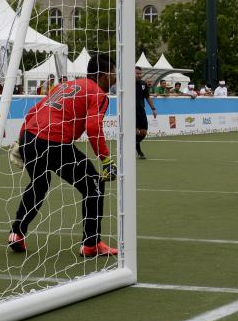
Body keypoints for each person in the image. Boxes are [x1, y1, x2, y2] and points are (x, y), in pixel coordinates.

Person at [8, 52, 119, 257]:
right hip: (54, 141)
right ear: (103, 75)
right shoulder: (98, 94)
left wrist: (21, 140)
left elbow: (34, 110)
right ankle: (91, 244)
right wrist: (106, 159)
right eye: (113, 73)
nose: (115, 77)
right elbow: (93, 127)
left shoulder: (64, 85)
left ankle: (16, 233)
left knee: (39, 184)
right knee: (94, 182)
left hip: (30, 137)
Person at [134, 67, 156, 160]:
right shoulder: (127, 84)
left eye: (140, 73)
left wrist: (153, 109)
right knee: (135, 132)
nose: (139, 75)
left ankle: (134, 144)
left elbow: (147, 97)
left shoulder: (143, 84)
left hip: (141, 111)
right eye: (137, 73)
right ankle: (139, 152)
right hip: (131, 111)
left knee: (143, 133)